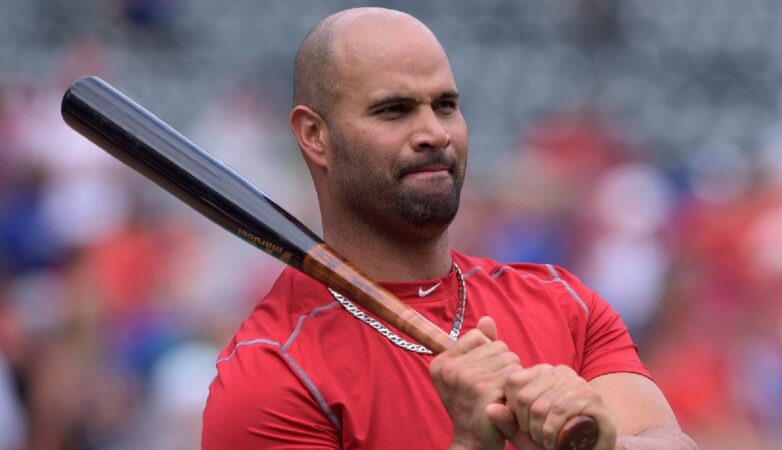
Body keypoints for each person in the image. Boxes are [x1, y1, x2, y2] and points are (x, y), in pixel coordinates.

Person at [202, 7, 697, 450]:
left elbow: (670, 442)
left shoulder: (564, 303)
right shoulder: (273, 375)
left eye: (444, 106)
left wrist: (606, 448)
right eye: (393, 110)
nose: (434, 134)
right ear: (315, 136)